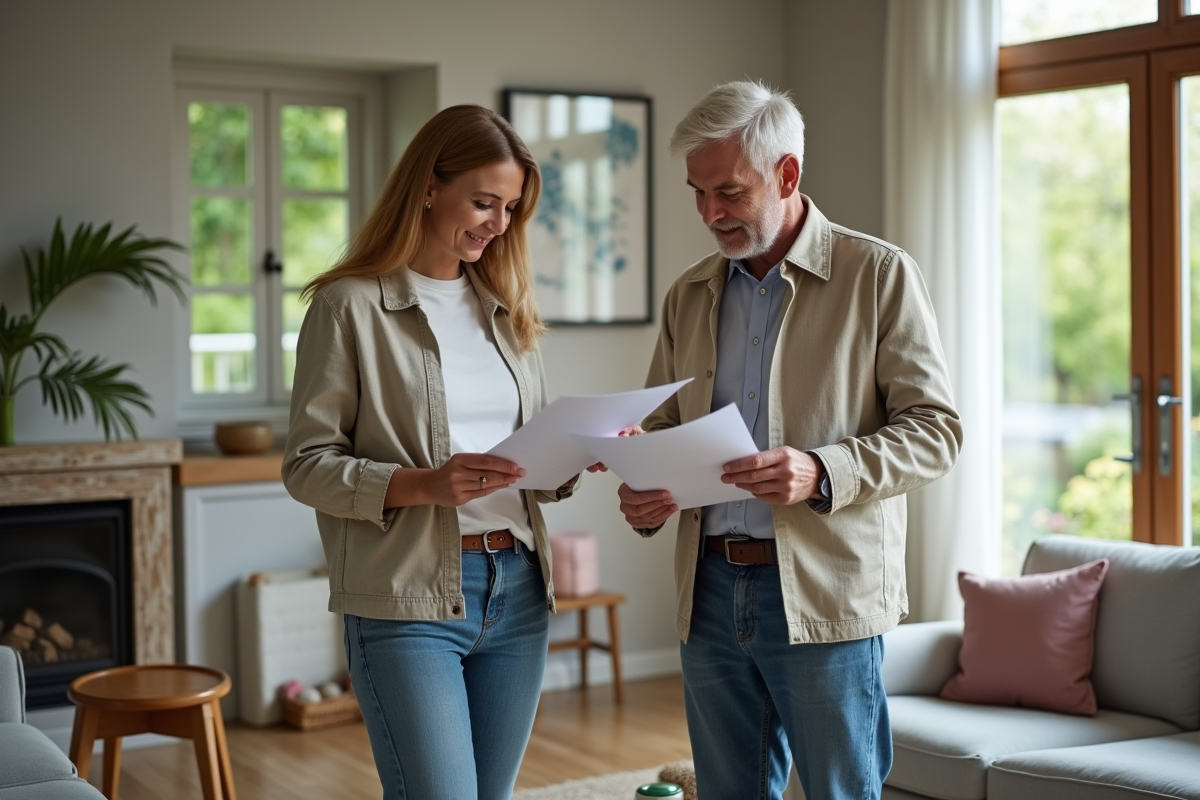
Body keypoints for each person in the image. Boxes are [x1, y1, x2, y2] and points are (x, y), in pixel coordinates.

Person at [615, 81, 962, 800]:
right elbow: (663, 425)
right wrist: (643, 478)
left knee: (839, 791)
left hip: (825, 590)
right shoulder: (688, 294)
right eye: (698, 193)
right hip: (708, 589)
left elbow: (937, 432)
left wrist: (821, 470)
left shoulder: (879, 275)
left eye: (730, 192)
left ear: (788, 175)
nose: (711, 214)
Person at [282, 104, 577, 800]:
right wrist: (424, 485)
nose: (497, 224)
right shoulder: (346, 307)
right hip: (405, 599)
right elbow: (306, 466)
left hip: (520, 589)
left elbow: (527, 464)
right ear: (426, 186)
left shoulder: (506, 309)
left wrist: (575, 455)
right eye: (483, 201)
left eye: (509, 208)